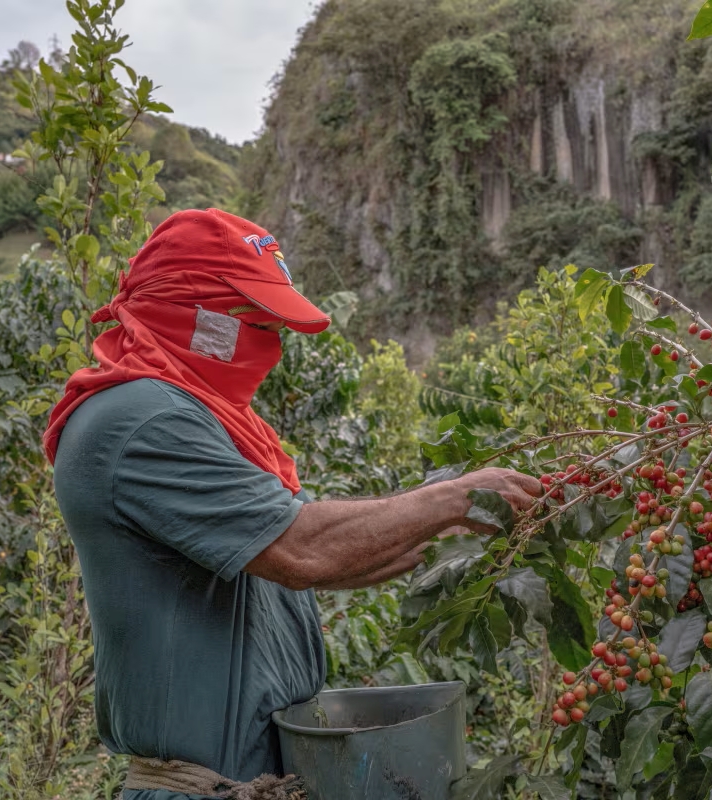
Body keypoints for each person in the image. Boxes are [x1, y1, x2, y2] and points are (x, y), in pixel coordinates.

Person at [45, 208, 542, 799]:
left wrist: (462, 527)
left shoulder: (215, 422)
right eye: (251, 321)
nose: (269, 343)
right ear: (192, 309)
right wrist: (457, 497)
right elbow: (306, 550)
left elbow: (343, 559)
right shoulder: (142, 420)